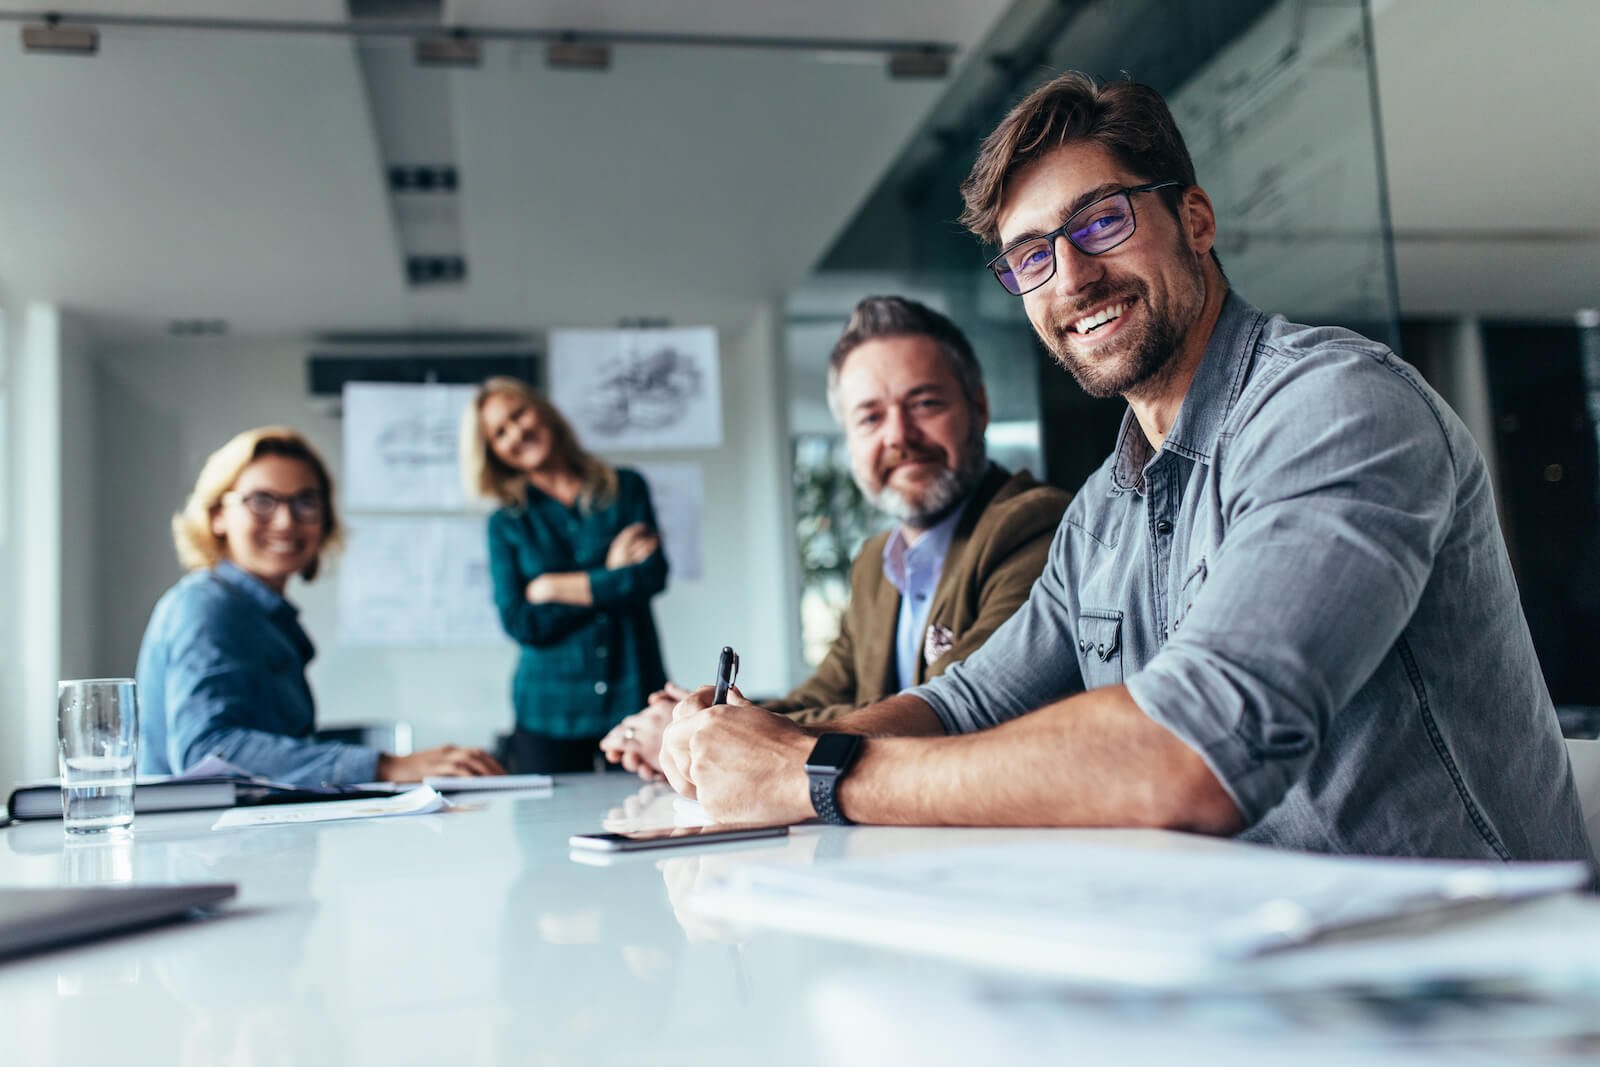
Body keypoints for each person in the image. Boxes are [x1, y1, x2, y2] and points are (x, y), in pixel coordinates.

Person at [659, 71, 1594, 866]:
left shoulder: (1335, 406)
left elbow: (1194, 752)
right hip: (1257, 959)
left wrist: (814, 773)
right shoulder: (1105, 508)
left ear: (1194, 217)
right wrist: (762, 746)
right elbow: (965, 701)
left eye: (1100, 222)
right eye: (1030, 257)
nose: (1070, 278)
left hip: (1476, 985)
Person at [600, 296, 1069, 779]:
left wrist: (711, 736)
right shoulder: (875, 562)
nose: (898, 436)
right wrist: (709, 720)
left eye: (925, 403)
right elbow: (827, 694)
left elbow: (954, 708)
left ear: (979, 406)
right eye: (870, 417)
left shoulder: (1031, 526)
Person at [138, 426, 504, 787]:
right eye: (261, 501)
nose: (286, 521)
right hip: (198, 844)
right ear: (218, 514)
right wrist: (384, 766)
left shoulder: (263, 616)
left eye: (306, 502)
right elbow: (207, 752)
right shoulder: (208, 608)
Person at [463, 376, 669, 774]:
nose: (516, 432)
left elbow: (650, 577)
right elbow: (521, 621)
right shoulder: (506, 522)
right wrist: (610, 573)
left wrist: (553, 587)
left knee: (650, 818)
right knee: (546, 832)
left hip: (634, 694)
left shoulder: (625, 488)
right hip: (548, 712)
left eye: (518, 414)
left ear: (541, 410)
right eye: (499, 432)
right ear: (493, 452)